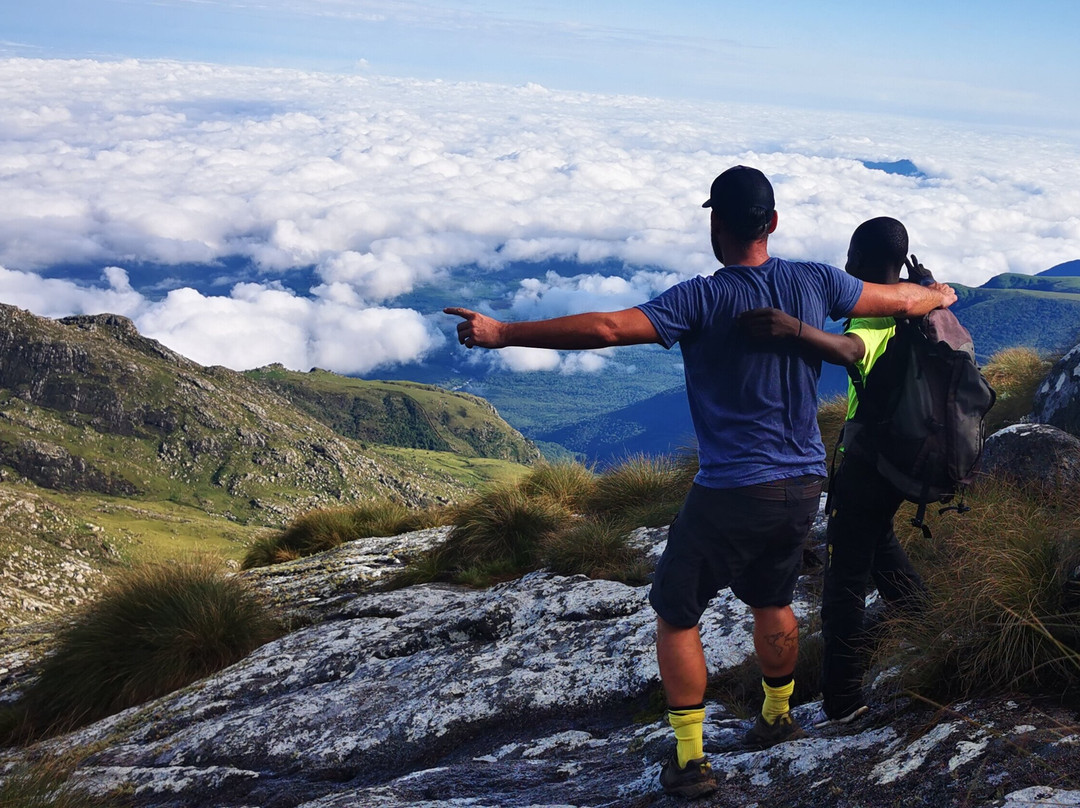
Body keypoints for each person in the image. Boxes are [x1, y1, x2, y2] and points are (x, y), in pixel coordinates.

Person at [445, 168, 956, 800]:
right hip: (802, 482)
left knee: (677, 611)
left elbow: (607, 329)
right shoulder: (815, 281)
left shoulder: (700, 298)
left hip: (733, 487)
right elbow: (899, 301)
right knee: (772, 598)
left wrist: (503, 333)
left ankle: (690, 760)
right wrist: (936, 295)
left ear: (716, 225)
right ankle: (777, 716)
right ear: (771, 223)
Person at [742, 217, 932, 728]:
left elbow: (850, 350)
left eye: (852, 256)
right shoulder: (919, 298)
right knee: (879, 543)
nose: (846, 267)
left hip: (868, 462)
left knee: (845, 579)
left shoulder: (872, 318)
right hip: (904, 460)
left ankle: (844, 701)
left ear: (868, 262)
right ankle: (929, 624)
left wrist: (794, 329)